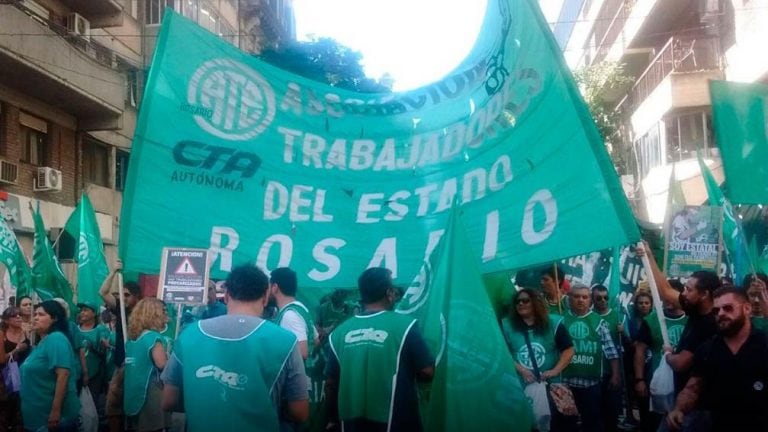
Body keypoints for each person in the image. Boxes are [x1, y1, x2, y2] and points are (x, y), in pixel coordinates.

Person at [161, 263, 309, 431]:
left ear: (226, 295)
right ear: (266, 297)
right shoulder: (286, 340)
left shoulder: (189, 334)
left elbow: (168, 400)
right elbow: (300, 412)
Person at [326, 267, 434, 432]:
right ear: (390, 293)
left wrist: (332, 419)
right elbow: (427, 371)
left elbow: (331, 384)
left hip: (350, 424)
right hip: (397, 422)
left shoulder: (339, 333)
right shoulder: (406, 325)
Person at [636, 244, 719, 431]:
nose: (684, 294)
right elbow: (665, 291)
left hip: (697, 406)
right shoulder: (695, 309)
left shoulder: (709, 324)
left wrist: (668, 355)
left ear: (705, 294)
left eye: (689, 290)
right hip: (681, 400)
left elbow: (682, 363)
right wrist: (649, 256)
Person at [667, 287, 768, 431]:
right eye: (716, 311)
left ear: (747, 309)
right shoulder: (707, 349)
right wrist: (678, 409)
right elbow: (693, 388)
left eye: (728, 308)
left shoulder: (764, 343)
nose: (721, 314)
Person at [501, 288, 574, 431]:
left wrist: (554, 371)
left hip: (551, 386)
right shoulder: (507, 326)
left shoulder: (554, 323)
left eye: (525, 300)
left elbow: (569, 350)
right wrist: (521, 370)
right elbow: (502, 353)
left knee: (554, 425)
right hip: (520, 386)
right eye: (518, 301)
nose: (521, 304)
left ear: (535, 302)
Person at [562, 283, 621, 432]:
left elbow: (611, 351)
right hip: (565, 384)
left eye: (585, 297)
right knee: (566, 423)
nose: (580, 300)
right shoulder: (561, 320)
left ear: (590, 300)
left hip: (591, 385)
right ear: (569, 298)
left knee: (592, 422)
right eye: (576, 296)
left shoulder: (599, 322)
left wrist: (615, 375)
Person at [634, 282, 687, 431]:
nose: (667, 300)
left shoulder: (693, 320)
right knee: (654, 422)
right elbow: (640, 351)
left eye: (671, 297)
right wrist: (640, 380)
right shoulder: (652, 320)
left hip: (685, 384)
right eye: (664, 297)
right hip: (658, 383)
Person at [19, 300, 80, 432]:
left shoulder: (56, 339)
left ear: (55, 318)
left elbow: (63, 375)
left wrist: (55, 411)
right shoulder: (42, 342)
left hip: (51, 420)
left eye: (41, 315)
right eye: (35, 314)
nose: (35, 317)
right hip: (35, 417)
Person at [100, 261, 143, 432]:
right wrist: (113, 271)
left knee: (135, 407)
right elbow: (102, 292)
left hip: (138, 366)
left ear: (137, 296)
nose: (123, 298)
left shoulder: (143, 313)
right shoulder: (120, 308)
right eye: (121, 295)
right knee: (113, 407)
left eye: (127, 295)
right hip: (121, 365)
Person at [124, 298, 170, 432]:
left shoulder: (134, 339)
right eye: (163, 311)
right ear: (153, 313)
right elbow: (162, 365)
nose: (166, 313)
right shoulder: (153, 337)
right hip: (151, 393)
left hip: (133, 392)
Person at [591, 285, 624, 432]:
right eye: (598, 298)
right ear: (593, 299)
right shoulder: (589, 316)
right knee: (596, 409)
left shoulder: (618, 316)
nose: (603, 301)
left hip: (613, 370)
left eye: (605, 297)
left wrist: (623, 333)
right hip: (594, 370)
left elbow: (631, 343)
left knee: (612, 409)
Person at [0, 306, 29, 431]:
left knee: (22, 406)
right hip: (7, 376)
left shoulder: (27, 332)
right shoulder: (2, 335)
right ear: (6, 320)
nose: (18, 317)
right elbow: (1, 359)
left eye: (19, 315)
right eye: (14, 315)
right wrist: (16, 350)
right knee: (7, 406)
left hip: (25, 375)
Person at [77, 302, 110, 411]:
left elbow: (104, 342)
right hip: (76, 374)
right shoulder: (75, 329)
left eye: (86, 310)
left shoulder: (100, 329)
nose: (82, 313)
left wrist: (104, 342)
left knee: (91, 405)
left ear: (94, 313)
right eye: (81, 310)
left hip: (95, 374)